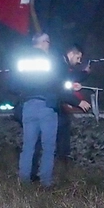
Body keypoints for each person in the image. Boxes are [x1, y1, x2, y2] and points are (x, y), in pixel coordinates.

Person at [11, 32, 72, 188]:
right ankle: (45, 182)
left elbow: (14, 83)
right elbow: (58, 83)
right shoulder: (49, 60)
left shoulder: (22, 61)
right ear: (43, 43)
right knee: (48, 146)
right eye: (48, 42)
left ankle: (23, 181)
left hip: (28, 106)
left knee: (28, 146)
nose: (49, 45)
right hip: (46, 106)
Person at [56, 46, 93, 162]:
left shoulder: (62, 64)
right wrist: (78, 102)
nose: (79, 61)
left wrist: (75, 84)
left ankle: (62, 159)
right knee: (62, 128)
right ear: (71, 53)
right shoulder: (59, 65)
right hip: (53, 105)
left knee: (63, 125)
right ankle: (62, 160)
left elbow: (66, 81)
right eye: (78, 57)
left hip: (57, 104)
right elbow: (58, 88)